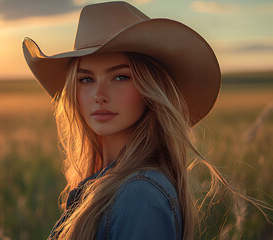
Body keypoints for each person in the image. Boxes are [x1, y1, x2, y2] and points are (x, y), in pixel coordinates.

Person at [22, 1, 269, 240]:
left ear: (150, 89)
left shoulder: (140, 194)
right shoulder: (103, 183)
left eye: (120, 77)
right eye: (86, 79)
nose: (99, 96)